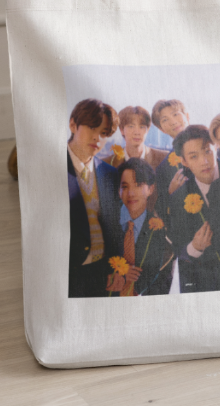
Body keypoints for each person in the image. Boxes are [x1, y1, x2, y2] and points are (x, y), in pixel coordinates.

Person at [168, 125, 220, 292]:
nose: (204, 161)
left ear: (216, 148)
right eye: (193, 156)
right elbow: (178, 249)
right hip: (206, 285)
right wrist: (195, 247)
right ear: (184, 161)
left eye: (207, 151)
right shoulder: (179, 198)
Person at [66, 98, 121, 298]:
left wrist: (116, 268)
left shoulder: (109, 173)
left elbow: (114, 225)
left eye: (104, 133)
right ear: (73, 124)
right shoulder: (50, 168)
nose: (98, 138)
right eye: (92, 127)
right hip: (69, 274)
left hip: (103, 273)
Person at [105, 158, 174, 296]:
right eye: (125, 187)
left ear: (150, 189)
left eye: (137, 185)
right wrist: (117, 275)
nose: (131, 193)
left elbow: (152, 272)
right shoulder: (107, 220)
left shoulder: (157, 228)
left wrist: (134, 290)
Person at [151, 99, 191, 218]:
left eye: (175, 114)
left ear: (187, 116)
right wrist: (171, 192)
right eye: (165, 120)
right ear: (161, 129)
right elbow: (161, 211)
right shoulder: (163, 169)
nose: (173, 122)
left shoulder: (214, 146)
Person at [103, 105, 169, 170]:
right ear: (121, 130)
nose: (137, 132)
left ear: (147, 130)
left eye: (142, 127)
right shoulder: (107, 163)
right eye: (131, 126)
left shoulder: (164, 159)